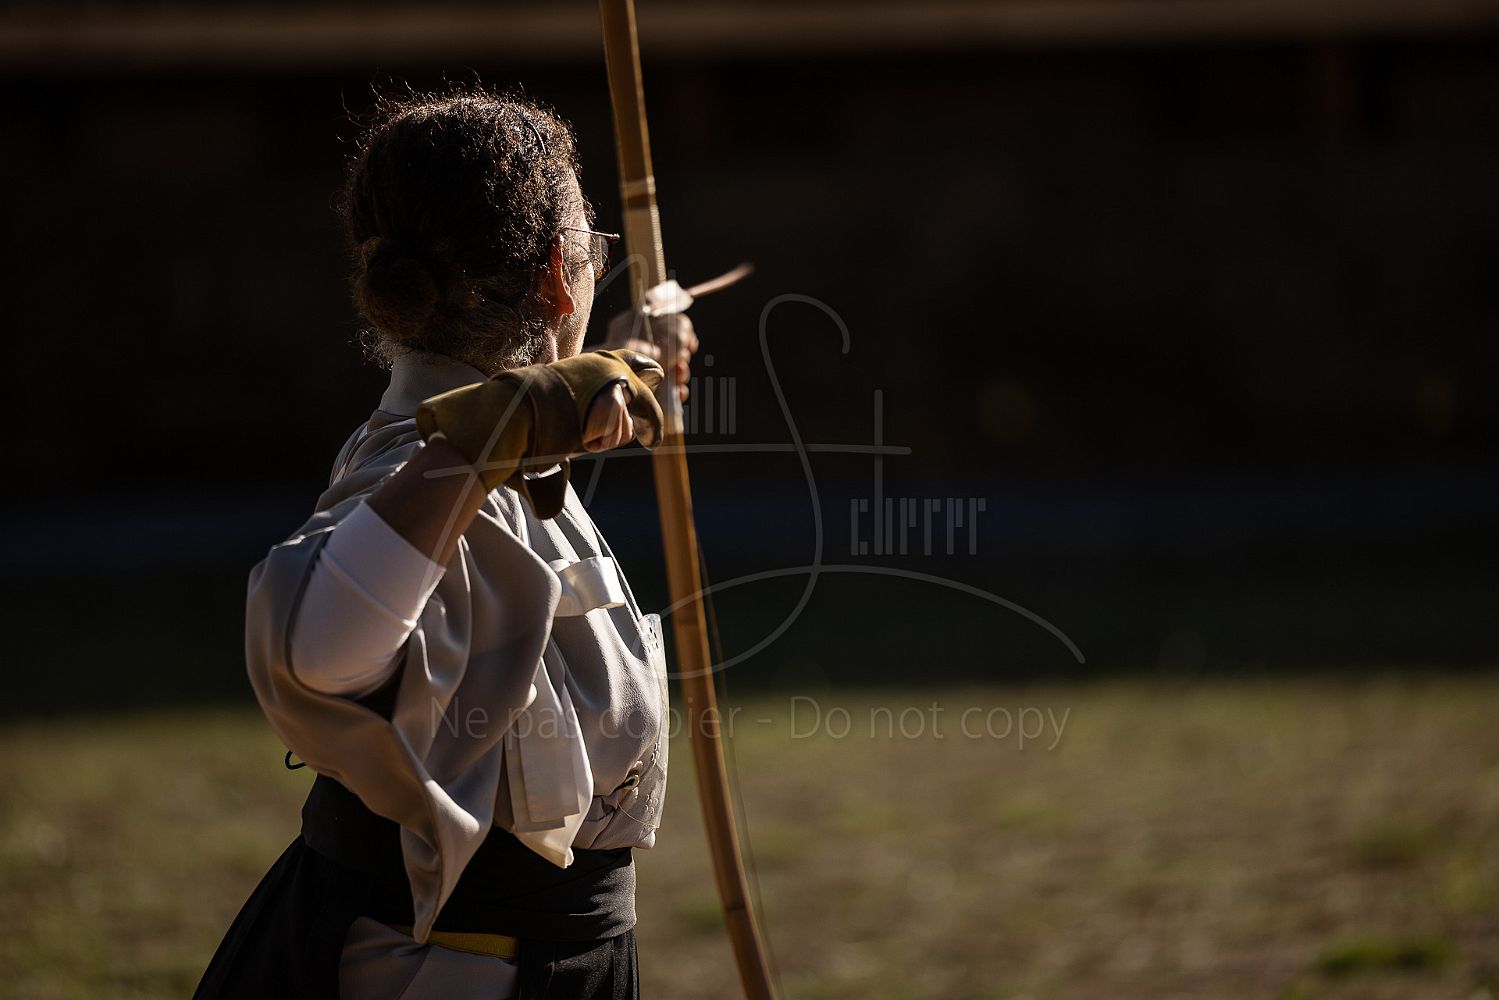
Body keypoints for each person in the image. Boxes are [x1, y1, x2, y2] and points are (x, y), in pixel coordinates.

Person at [192, 86, 697, 1000]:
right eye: (592, 253)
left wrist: (636, 363)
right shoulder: (418, 466)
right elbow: (313, 651)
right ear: (558, 276)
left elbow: (509, 498)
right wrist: (508, 421)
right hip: (447, 967)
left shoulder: (463, 461)